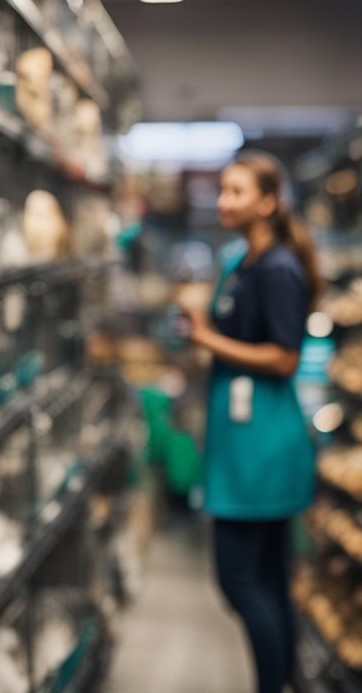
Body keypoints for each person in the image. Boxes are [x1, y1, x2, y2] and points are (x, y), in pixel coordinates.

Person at [180, 150, 320, 693]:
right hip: (242, 439)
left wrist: (206, 338)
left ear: (268, 202)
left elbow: (285, 357)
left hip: (260, 447)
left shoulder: (279, 269)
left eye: (236, 191)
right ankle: (285, 681)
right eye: (222, 189)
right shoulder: (242, 261)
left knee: (239, 581)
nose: (223, 201)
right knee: (268, 580)